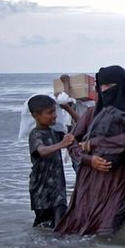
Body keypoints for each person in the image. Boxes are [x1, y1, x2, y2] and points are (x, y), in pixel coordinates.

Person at [56, 65, 125, 235]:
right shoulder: (91, 114)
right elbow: (71, 141)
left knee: (109, 227)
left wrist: (93, 143)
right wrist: (88, 160)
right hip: (89, 182)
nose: (105, 90)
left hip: (118, 180)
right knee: (84, 227)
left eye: (110, 86)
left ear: (122, 86)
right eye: (102, 86)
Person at [27, 95, 75, 228]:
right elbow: (41, 151)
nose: (54, 115)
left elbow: (79, 127)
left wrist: (68, 109)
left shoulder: (55, 132)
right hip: (41, 190)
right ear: (36, 116)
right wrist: (61, 144)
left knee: (60, 225)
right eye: (49, 112)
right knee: (42, 226)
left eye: (55, 111)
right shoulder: (35, 134)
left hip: (58, 189)